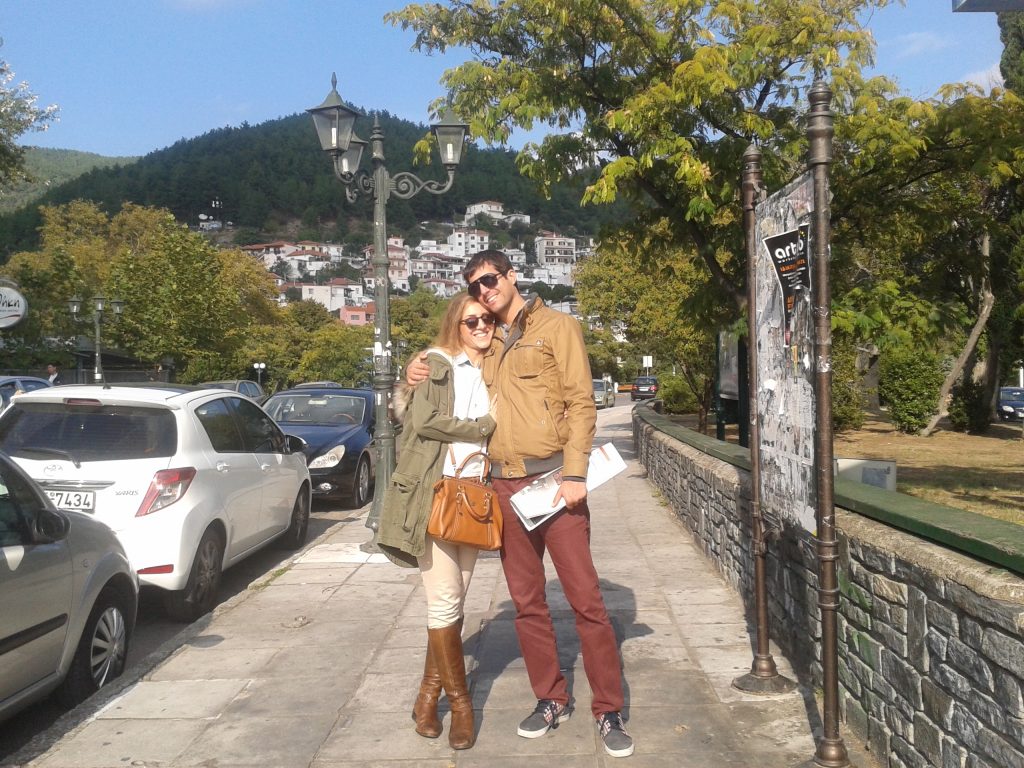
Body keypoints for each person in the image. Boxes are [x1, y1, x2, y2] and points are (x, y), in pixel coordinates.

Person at [406, 249, 634, 758]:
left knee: (586, 601)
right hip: (503, 488)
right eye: (475, 286)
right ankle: (550, 697)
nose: (484, 291)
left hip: (554, 480)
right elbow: (448, 357)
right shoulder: (486, 341)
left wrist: (575, 473)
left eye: (490, 280)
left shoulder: (557, 327)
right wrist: (414, 365)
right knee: (527, 604)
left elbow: (581, 402)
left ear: (511, 276)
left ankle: (608, 708)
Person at [377, 293, 498, 751]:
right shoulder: (437, 363)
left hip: (475, 496)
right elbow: (425, 421)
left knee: (455, 599)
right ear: (456, 325)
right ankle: (461, 706)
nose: (481, 326)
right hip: (436, 491)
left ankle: (426, 696)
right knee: (445, 599)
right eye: (471, 321)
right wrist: (482, 426)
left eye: (487, 319)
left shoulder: (496, 366)